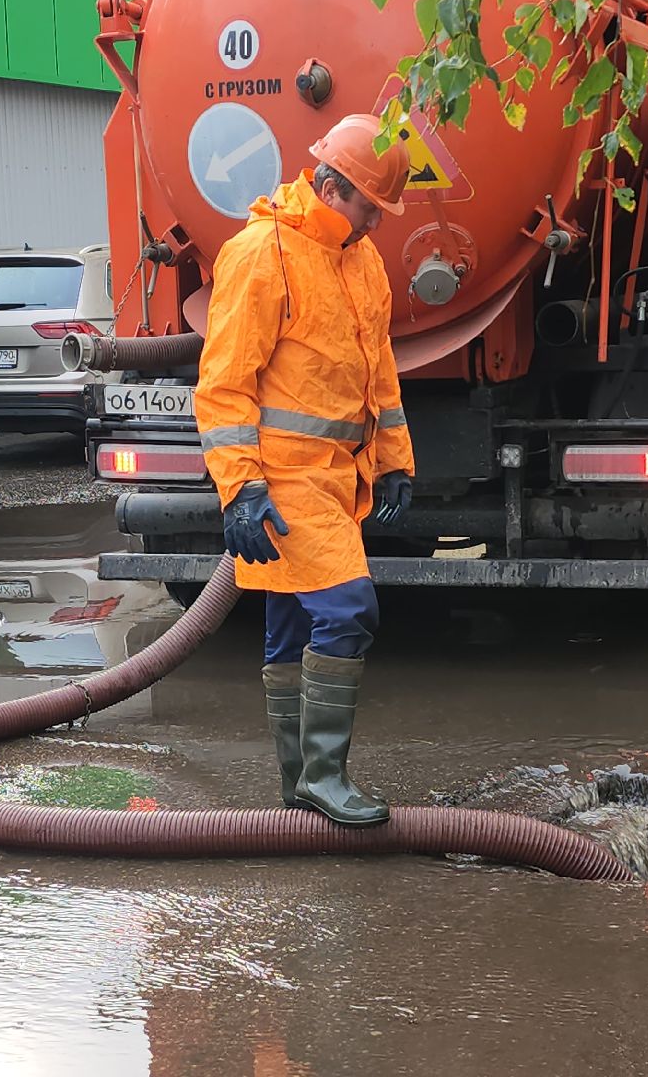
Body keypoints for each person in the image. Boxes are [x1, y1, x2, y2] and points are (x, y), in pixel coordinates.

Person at [194, 113, 415, 827]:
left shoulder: (360, 259)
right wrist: (242, 489)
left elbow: (380, 372)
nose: (377, 221)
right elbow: (225, 385)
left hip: (336, 478)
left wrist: (394, 462)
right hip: (284, 481)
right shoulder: (262, 253)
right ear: (329, 184)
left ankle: (300, 784)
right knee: (350, 611)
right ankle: (324, 776)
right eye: (370, 205)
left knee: (290, 623)